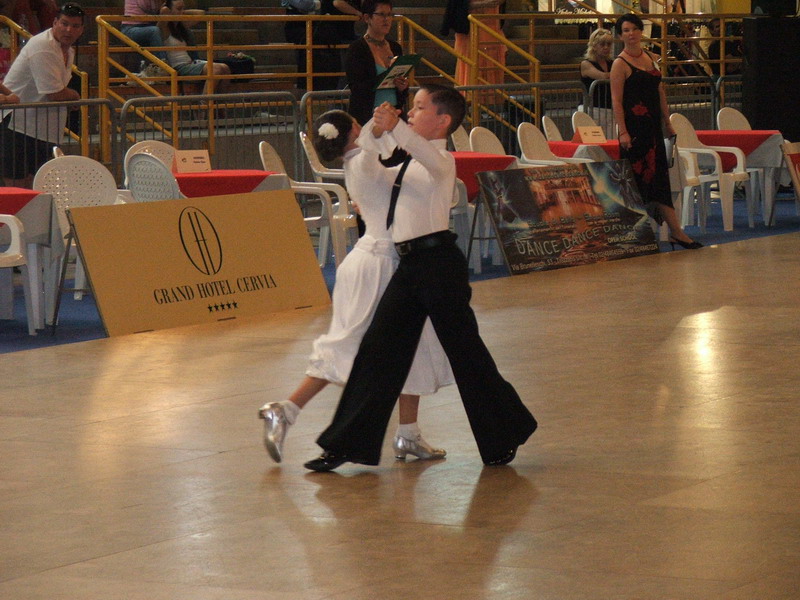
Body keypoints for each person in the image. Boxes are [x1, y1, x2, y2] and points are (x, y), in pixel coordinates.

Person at [303, 84, 538, 472]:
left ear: (442, 121)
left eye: (419, 107)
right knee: (377, 353)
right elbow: (370, 156)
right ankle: (344, 444)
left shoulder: (440, 160)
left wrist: (393, 126)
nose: (410, 112)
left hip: (438, 265)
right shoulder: (408, 162)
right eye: (410, 107)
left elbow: (415, 147)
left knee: (467, 354)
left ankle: (505, 432)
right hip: (409, 266)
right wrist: (377, 130)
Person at [258, 109, 453, 464]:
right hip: (376, 265)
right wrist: (382, 126)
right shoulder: (363, 161)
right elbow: (376, 144)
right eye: (359, 123)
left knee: (415, 345)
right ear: (353, 131)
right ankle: (287, 409)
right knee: (349, 344)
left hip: (390, 262)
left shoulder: (366, 161)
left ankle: (408, 433)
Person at [610, 13, 702, 251]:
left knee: (660, 179)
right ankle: (639, 235)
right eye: (626, 30)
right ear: (620, 35)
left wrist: (667, 122)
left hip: (653, 128)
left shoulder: (652, 58)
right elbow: (616, 101)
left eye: (634, 29)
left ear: (641, 31)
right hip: (634, 130)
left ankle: (676, 232)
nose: (631, 34)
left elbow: (660, 92)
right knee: (637, 182)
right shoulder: (619, 64)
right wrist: (623, 132)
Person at [0, 1, 84, 188]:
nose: (68, 30)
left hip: (42, 127)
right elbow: (55, 93)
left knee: (41, 185)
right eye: (64, 24)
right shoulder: (43, 46)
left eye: (75, 26)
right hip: (16, 124)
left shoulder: (68, 50)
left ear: (81, 30)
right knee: (17, 187)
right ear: (55, 23)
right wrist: (74, 96)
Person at [345, 0, 409, 126]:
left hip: (394, 115)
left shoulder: (395, 47)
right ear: (367, 18)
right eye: (381, 14)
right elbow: (357, 88)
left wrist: (402, 87)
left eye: (389, 14)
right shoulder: (357, 48)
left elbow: (399, 94)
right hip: (368, 117)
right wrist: (387, 75)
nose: (386, 19)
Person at [163, 0, 230, 96]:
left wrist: (180, 12)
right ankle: (204, 102)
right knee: (216, 69)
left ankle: (220, 104)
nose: (182, 12)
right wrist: (169, 11)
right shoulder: (164, 28)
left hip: (190, 62)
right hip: (178, 66)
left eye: (183, 8)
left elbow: (201, 13)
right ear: (169, 10)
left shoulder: (181, 26)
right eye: (179, 8)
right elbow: (163, 14)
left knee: (225, 68)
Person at [313, 0, 361, 90]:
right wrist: (357, 12)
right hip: (333, 37)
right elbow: (337, 3)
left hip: (347, 35)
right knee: (343, 69)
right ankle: (339, 96)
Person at [121, 0, 170, 76]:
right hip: (130, 28)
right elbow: (148, 10)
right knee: (154, 30)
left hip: (147, 26)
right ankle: (162, 65)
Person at [580, 28, 614, 109]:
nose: (606, 47)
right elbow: (603, 76)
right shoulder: (586, 64)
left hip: (608, 107)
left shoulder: (612, 63)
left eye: (608, 44)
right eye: (602, 44)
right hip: (591, 107)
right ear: (594, 46)